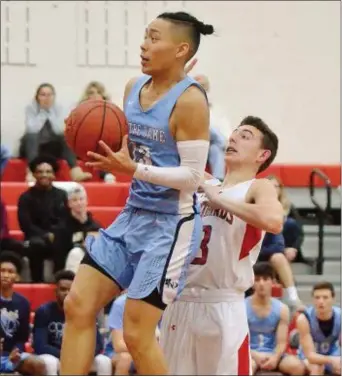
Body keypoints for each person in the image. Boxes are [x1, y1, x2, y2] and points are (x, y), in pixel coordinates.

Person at [59, 11, 212, 376]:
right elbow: (122, 147)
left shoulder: (190, 101)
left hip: (171, 226)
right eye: (145, 36)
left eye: (154, 37)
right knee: (78, 304)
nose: (144, 44)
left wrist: (133, 170)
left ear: (181, 49)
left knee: (137, 334)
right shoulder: (132, 87)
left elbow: (193, 177)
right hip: (133, 215)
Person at [160, 115, 284, 375]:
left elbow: (274, 220)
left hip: (222, 306)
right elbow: (168, 153)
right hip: (179, 303)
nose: (233, 138)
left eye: (245, 135)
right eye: (234, 133)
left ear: (262, 154)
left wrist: (221, 200)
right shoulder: (205, 184)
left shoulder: (257, 187)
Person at [33, 270, 112, 375]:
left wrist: (81, 356)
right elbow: (40, 346)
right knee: (49, 362)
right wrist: (67, 356)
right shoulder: (44, 311)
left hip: (80, 355)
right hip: (53, 355)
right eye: (62, 289)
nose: (66, 293)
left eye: (70, 290)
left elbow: (98, 344)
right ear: (55, 291)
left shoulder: (87, 312)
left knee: (104, 361)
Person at [20, 83, 91, 182]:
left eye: (49, 95)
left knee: (66, 137)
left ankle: (75, 172)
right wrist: (42, 113)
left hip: (51, 148)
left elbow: (59, 130)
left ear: (54, 96)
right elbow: (32, 129)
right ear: (37, 97)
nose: (46, 98)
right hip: (32, 147)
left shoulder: (59, 108)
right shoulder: (30, 108)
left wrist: (50, 113)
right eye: (43, 95)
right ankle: (32, 172)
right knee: (31, 136)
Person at [246, 262, 305, 375]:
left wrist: (275, 357)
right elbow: (240, 342)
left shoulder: (282, 309)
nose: (261, 283)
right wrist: (255, 355)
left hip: (274, 353)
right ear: (252, 283)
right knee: (248, 367)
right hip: (250, 354)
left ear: (273, 282)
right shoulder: (242, 307)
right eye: (257, 280)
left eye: (265, 279)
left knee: (297, 366)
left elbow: (281, 342)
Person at [17, 155, 68, 282]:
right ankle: (37, 283)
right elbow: (26, 225)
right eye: (40, 172)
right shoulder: (25, 197)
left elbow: (65, 219)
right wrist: (46, 235)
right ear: (34, 174)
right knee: (36, 244)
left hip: (57, 236)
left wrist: (54, 234)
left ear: (54, 175)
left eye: (48, 171)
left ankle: (60, 282)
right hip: (35, 238)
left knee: (62, 241)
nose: (44, 175)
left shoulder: (62, 195)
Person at [0, 252, 46, 375]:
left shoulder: (23, 303)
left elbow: (22, 337)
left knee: (38, 364)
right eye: (2, 270)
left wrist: (16, 353)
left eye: (10, 272)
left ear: (18, 277)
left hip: (11, 355)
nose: (5, 275)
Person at [53, 184, 101, 273]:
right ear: (69, 203)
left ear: (87, 201)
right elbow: (59, 255)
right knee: (76, 253)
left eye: (81, 199)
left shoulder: (95, 227)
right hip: (69, 268)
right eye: (75, 200)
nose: (79, 203)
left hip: (90, 267)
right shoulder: (62, 228)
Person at [297, 281, 341, 375]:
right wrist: (331, 360)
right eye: (317, 298)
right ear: (313, 300)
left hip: (332, 353)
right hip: (310, 356)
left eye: (325, 297)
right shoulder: (303, 319)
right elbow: (310, 355)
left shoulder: (340, 316)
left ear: (333, 299)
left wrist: (337, 361)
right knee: (317, 368)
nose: (321, 301)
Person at [194, 74, 230, 181]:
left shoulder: (217, 110)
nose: (201, 90)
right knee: (208, 129)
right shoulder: (187, 106)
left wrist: (225, 141)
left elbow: (226, 130)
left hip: (211, 146)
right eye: (199, 86)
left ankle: (218, 180)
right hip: (194, 144)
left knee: (216, 148)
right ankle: (220, 140)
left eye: (204, 87)